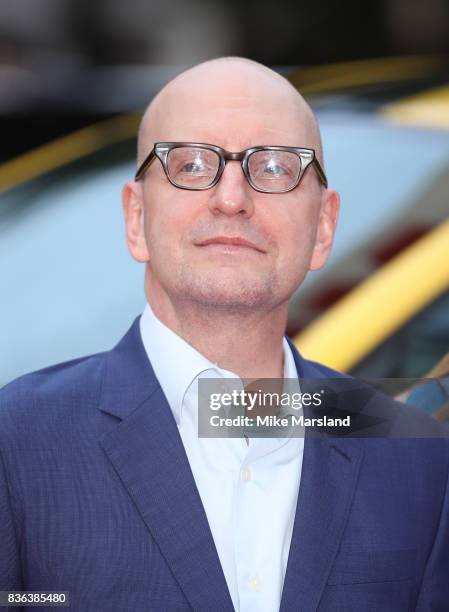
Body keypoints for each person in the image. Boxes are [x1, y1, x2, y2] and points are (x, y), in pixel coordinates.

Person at [0, 57, 448, 612]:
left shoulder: (417, 458)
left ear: (324, 228)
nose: (232, 197)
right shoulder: (15, 441)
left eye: (277, 168)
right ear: (136, 218)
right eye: (190, 165)